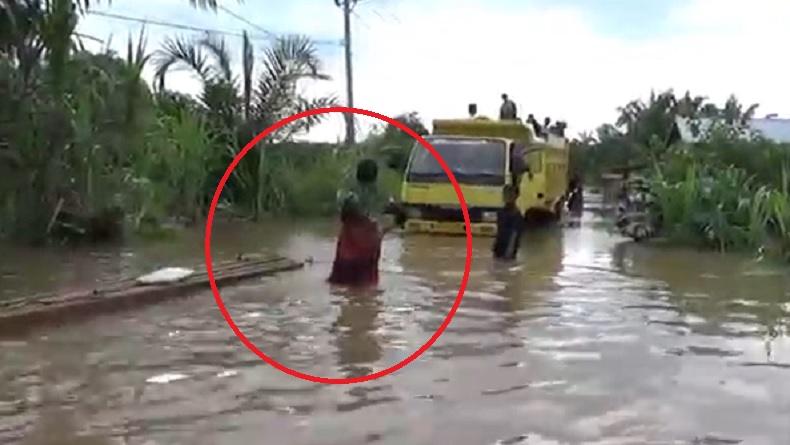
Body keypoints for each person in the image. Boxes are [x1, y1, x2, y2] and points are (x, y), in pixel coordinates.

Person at [328, 159, 405, 287]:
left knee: (340, 285)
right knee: (367, 285)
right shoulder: (381, 196)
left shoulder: (348, 194)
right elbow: (401, 214)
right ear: (375, 175)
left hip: (349, 244)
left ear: (358, 174)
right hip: (371, 243)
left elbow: (344, 214)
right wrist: (385, 230)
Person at [492, 184, 525, 261]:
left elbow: (515, 234)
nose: (506, 197)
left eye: (510, 194)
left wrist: (510, 250)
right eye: (505, 194)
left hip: (508, 250)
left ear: (515, 196)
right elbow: (498, 231)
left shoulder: (516, 214)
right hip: (499, 248)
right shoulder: (501, 212)